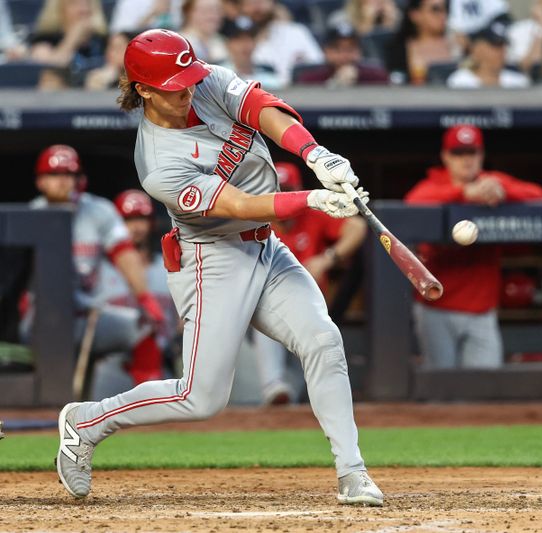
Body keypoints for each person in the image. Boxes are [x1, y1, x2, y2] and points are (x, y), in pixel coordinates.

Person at [54, 29, 383, 507]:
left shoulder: (202, 81)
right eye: (173, 84)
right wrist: (311, 198)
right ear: (142, 89)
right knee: (200, 398)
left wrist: (315, 154)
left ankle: (352, 472)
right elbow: (242, 205)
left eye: (188, 76)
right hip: (213, 259)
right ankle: (86, 422)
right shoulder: (158, 164)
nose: (188, 88)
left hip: (266, 250)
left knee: (323, 340)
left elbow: (261, 108)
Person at [404, 125, 542, 369]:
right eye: (459, 153)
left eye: (472, 153)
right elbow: (412, 203)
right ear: (446, 157)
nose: (466, 160)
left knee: (484, 388)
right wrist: (463, 193)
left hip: (482, 309)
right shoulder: (435, 185)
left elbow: (539, 195)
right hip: (436, 307)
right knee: (441, 388)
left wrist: (504, 192)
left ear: (481, 155)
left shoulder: (491, 181)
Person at [24, 145, 166, 387]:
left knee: (142, 326)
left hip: (89, 315)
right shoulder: (30, 215)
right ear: (40, 182)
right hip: (43, 317)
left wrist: (145, 298)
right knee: (56, 388)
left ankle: (148, 401)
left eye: (68, 175)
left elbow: (125, 255)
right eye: (54, 175)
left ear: (79, 179)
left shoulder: (98, 211)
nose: (62, 182)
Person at [246, 161, 368, 405]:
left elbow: (357, 227)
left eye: (286, 191)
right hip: (266, 308)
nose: (280, 198)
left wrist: (327, 258)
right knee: (266, 322)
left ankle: (283, 397)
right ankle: (273, 385)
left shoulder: (312, 215)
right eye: (275, 191)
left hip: (309, 308)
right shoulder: (255, 219)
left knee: (299, 385)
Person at [91, 189, 181, 395]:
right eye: (129, 220)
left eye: (142, 219)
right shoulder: (99, 270)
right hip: (113, 363)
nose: (136, 227)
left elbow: (181, 321)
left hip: (161, 362)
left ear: (152, 223)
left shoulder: (167, 267)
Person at [29, 0, 108, 89]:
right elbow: (51, 73)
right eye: (74, 3)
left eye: (87, 3)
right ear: (59, 11)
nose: (83, 10)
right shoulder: (44, 42)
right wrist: (73, 38)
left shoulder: (105, 42)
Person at [243, 0, 324, 86]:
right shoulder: (231, 39)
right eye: (250, 3)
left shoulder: (296, 31)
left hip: (299, 94)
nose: (257, 8)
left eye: (261, 2)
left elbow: (319, 66)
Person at [385, 0, 460, 85]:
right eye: (435, 9)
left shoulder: (458, 44)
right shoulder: (399, 49)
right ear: (415, 15)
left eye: (446, 9)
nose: (443, 15)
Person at [294, 24, 390, 87]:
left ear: (359, 52)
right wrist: (334, 83)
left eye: (350, 49)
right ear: (325, 51)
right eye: (337, 49)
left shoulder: (377, 78)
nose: (344, 55)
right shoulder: (310, 79)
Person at [447, 22, 530, 88]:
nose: (502, 51)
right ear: (477, 49)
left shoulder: (518, 82)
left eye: (503, 46)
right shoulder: (460, 82)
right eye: (496, 46)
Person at [218, 17, 282, 88]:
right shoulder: (218, 73)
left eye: (249, 39)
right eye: (239, 40)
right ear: (228, 44)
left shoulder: (268, 72)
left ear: (255, 43)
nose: (244, 45)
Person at [328, 0, 400, 37]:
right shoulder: (340, 19)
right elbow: (355, 47)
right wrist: (367, 21)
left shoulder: (394, 15)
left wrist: (389, 22)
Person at [109, 0, 183, 33]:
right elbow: (119, 34)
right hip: (141, 47)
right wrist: (153, 13)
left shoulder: (180, 2)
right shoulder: (130, 2)